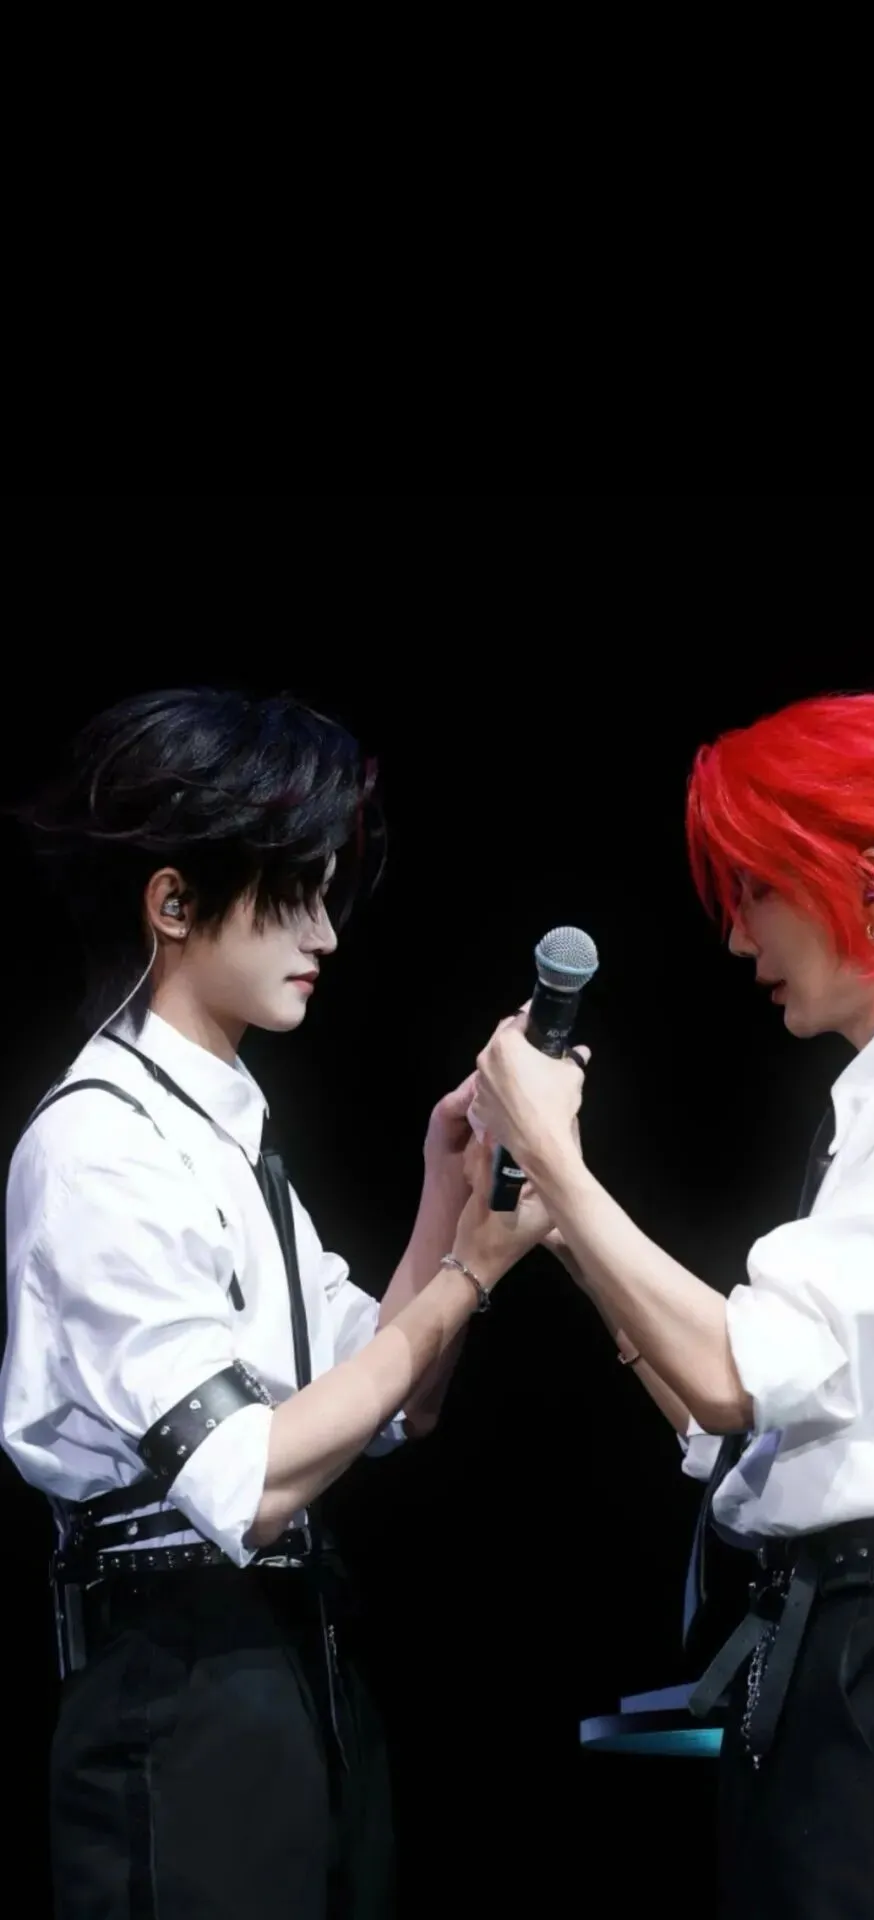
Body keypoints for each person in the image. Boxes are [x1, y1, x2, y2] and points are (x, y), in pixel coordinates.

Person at [469, 690, 874, 1919]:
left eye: (757, 890)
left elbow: (736, 1374)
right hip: (839, 1650)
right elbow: (751, 1420)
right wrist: (567, 1234)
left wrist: (564, 1167)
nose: (739, 935)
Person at [1, 688, 548, 1920]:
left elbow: (392, 1399)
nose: (327, 934)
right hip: (178, 1672)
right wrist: (470, 1271)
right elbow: (244, 1479)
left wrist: (447, 1197)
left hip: (301, 1656)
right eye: (293, 893)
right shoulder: (100, 1147)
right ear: (173, 903)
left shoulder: (221, 1127)